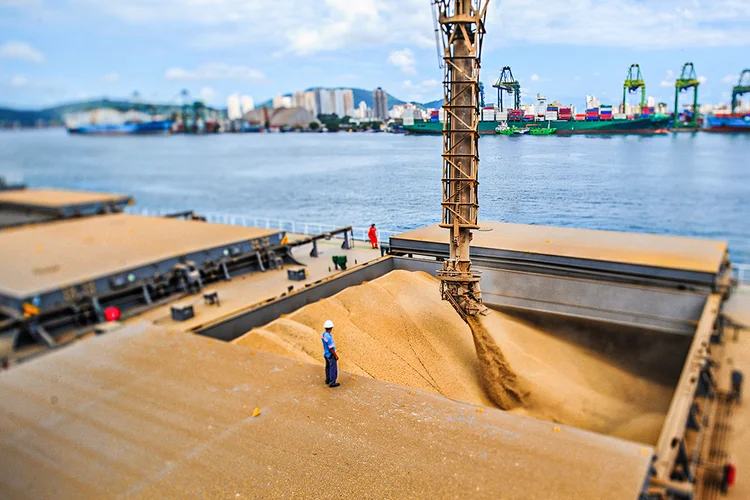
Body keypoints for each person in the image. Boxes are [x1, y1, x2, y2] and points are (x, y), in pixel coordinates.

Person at [321, 319, 340, 388]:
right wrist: (336, 355)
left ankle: (328, 379)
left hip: (326, 354)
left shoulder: (323, 334)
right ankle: (332, 382)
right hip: (330, 355)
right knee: (333, 368)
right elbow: (331, 348)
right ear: (331, 328)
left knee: (328, 367)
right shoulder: (329, 337)